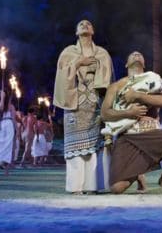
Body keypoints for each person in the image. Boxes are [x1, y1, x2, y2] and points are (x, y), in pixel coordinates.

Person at [101, 52, 162, 195]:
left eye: (140, 55)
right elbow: (105, 114)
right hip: (128, 135)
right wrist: (128, 113)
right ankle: (138, 173)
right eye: (132, 55)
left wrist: (137, 95)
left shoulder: (152, 80)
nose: (136, 55)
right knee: (116, 188)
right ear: (126, 64)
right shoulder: (116, 86)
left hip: (151, 132)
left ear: (144, 64)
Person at [54, 19, 113, 194]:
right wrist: (79, 63)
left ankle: (92, 186)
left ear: (93, 30)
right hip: (74, 104)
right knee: (74, 147)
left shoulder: (102, 53)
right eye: (81, 24)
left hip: (94, 104)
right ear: (76, 32)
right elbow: (61, 76)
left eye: (88, 24)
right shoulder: (68, 53)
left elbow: (108, 79)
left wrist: (96, 65)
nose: (85, 25)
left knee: (94, 147)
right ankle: (75, 187)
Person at [0, 88, 17, 176]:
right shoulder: (11, 106)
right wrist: (16, 130)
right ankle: (5, 170)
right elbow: (14, 120)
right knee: (7, 147)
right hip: (5, 126)